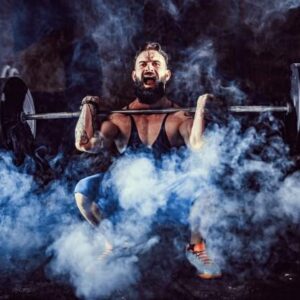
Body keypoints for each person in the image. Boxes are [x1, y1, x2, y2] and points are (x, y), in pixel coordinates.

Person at [74, 42, 221, 279]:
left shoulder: (178, 117)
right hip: (127, 196)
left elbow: (198, 146)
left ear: (166, 74)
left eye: (155, 64)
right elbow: (84, 143)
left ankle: (196, 247)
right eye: (143, 64)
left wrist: (201, 107)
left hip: (168, 195)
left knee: (207, 188)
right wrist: (87, 107)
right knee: (83, 190)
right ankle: (115, 243)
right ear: (135, 75)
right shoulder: (121, 119)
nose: (149, 67)